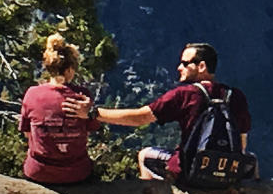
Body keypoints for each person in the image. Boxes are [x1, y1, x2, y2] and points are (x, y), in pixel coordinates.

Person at [65, 42, 252, 181]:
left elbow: (140, 118)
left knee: (145, 155)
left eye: (185, 63)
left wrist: (93, 113)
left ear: (201, 66)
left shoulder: (185, 95)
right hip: (228, 171)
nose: (179, 67)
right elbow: (242, 143)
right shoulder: (236, 96)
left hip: (190, 171)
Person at [19, 33, 100, 184]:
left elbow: (27, 133)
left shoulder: (32, 94)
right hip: (76, 173)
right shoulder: (82, 96)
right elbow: (91, 128)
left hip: (39, 172)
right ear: (69, 70)